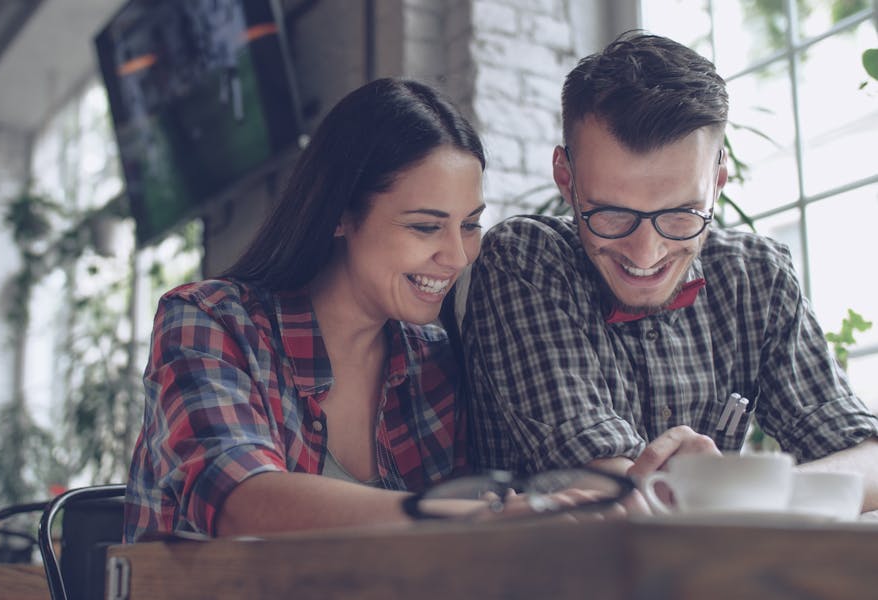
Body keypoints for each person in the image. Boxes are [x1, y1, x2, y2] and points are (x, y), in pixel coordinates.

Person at [460, 31, 878, 512]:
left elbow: (864, 455)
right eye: (612, 214)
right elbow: (611, 484)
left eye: (681, 214)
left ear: (717, 182)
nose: (645, 253)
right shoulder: (525, 261)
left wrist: (740, 488)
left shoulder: (758, 278)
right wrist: (717, 492)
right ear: (565, 178)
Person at [124, 77, 487, 541]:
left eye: (471, 224)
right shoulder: (208, 321)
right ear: (341, 213)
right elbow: (242, 504)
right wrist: (461, 516)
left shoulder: (432, 360)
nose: (457, 256)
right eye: (424, 227)